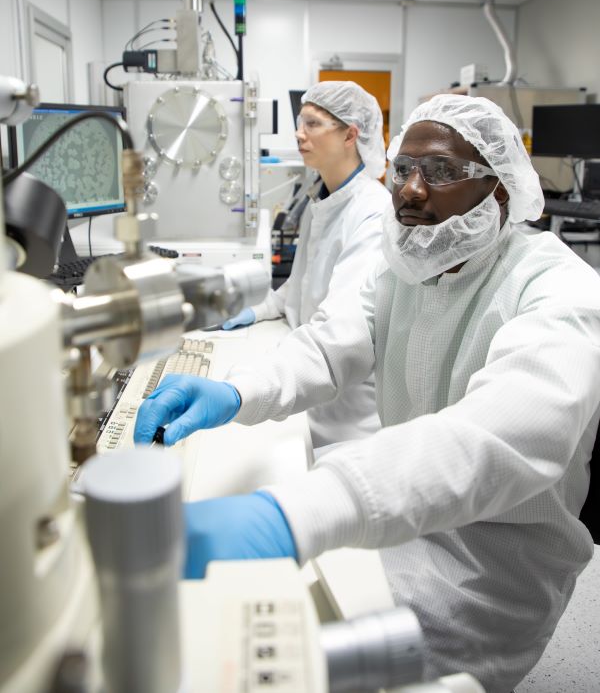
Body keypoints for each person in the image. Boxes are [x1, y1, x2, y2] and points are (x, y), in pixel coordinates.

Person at [134, 93, 600, 693]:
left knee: (265, 644)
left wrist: (291, 517)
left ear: (500, 191)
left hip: (487, 564)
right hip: (412, 505)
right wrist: (231, 391)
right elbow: (330, 344)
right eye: (404, 169)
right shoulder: (405, 268)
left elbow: (490, 438)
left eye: (440, 172)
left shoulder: (562, 293)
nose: (410, 190)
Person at [221, 80, 390, 447]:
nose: (299, 134)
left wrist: (247, 387)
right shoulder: (323, 200)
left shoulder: (372, 214)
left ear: (350, 135)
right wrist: (251, 310)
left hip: (342, 424)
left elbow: (339, 337)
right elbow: (296, 291)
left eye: (312, 123)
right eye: (300, 122)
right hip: (303, 385)